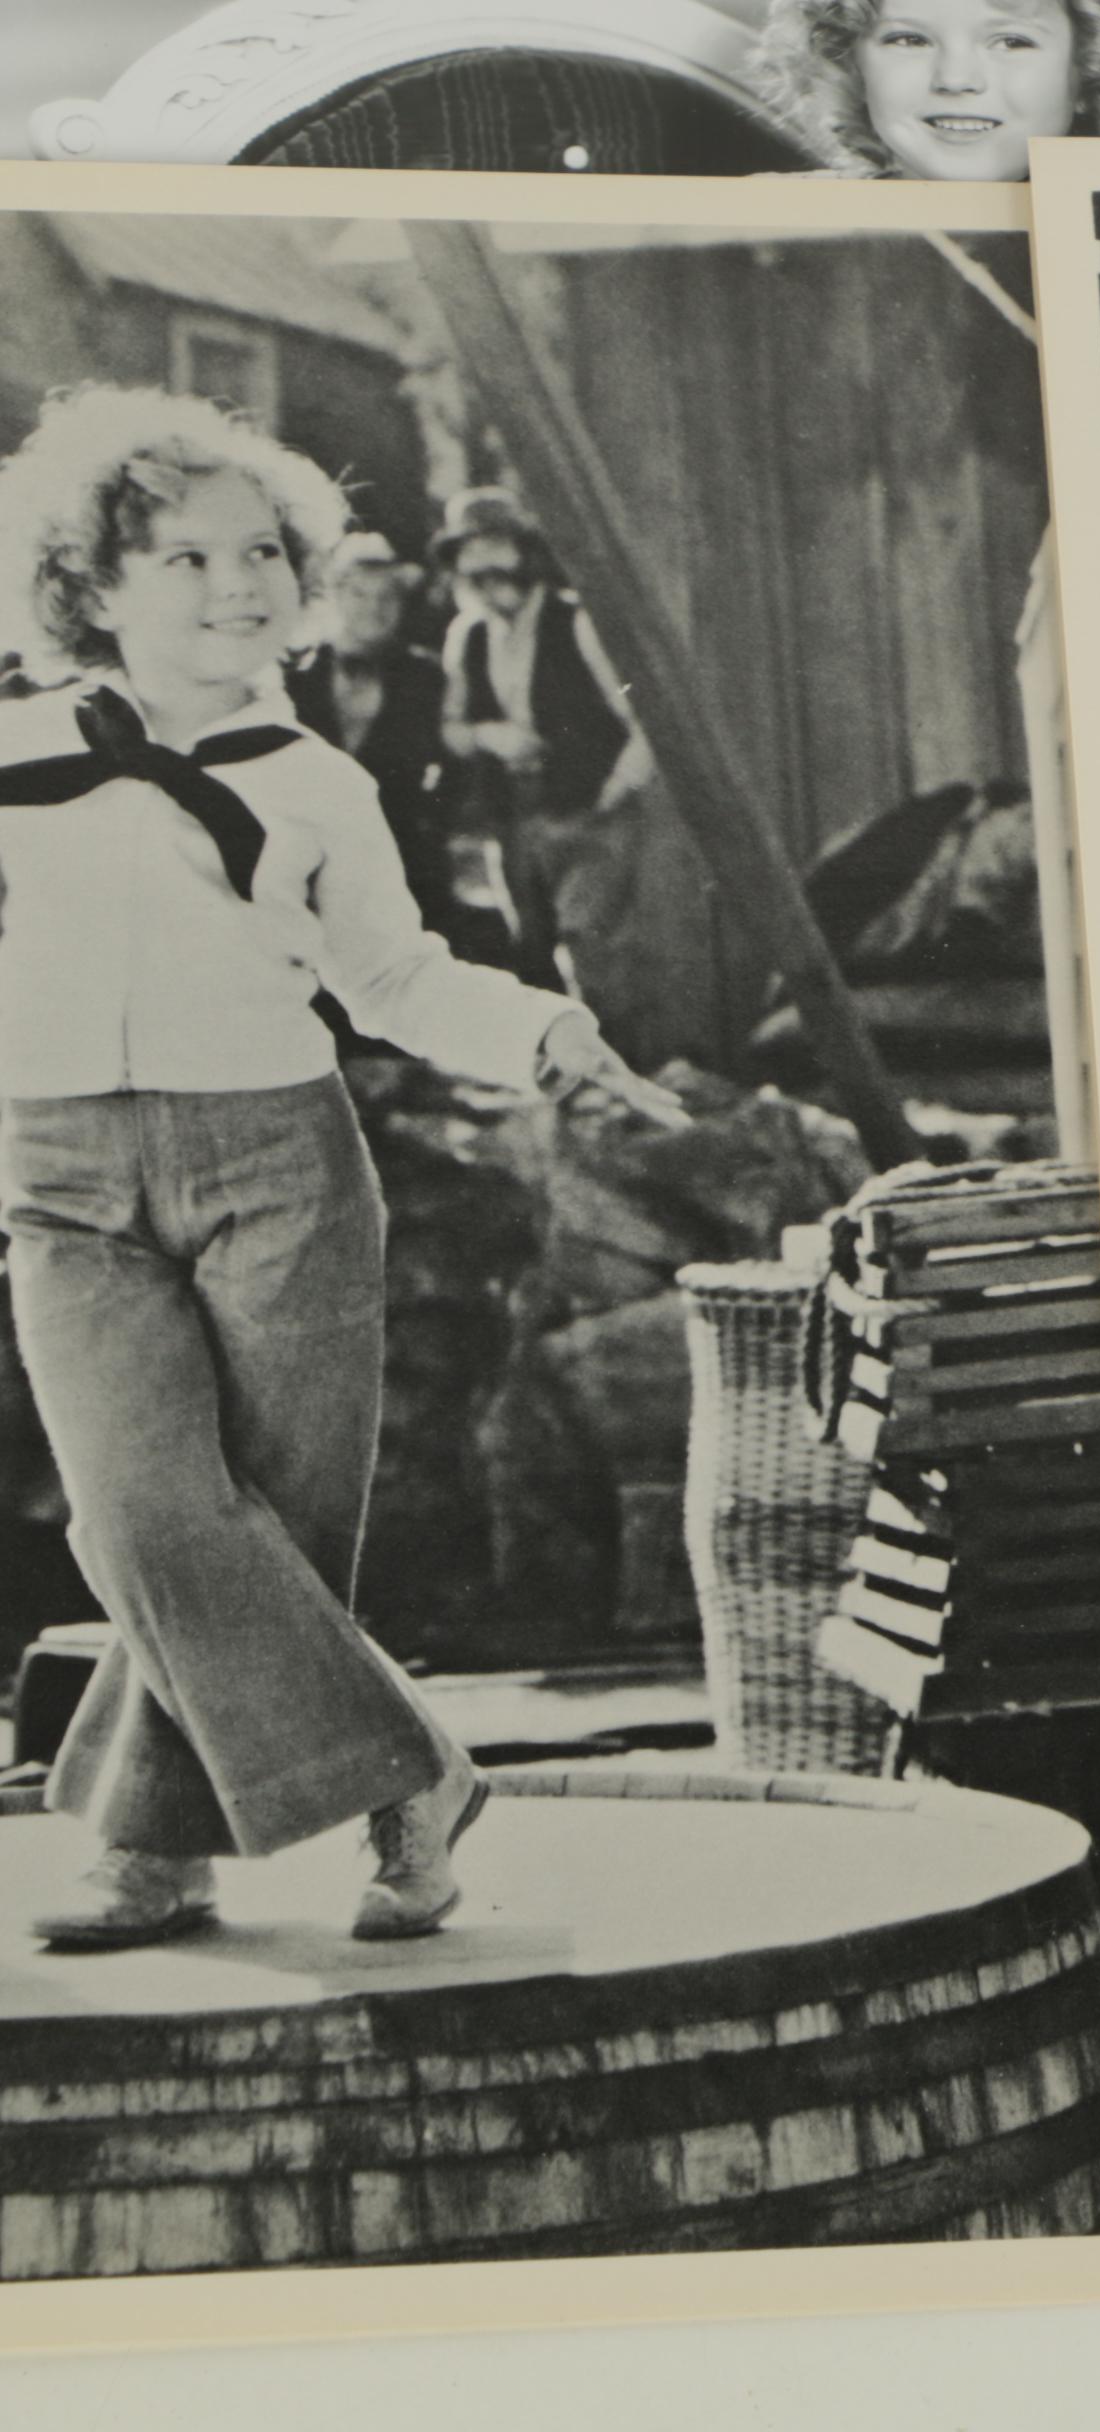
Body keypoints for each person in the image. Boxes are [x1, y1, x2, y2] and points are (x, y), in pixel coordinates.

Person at [0, 388, 685, 1951]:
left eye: (261, 553)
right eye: (185, 558)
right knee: (142, 1519)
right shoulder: (12, 755)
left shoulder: (317, 782)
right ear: (93, 584)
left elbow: (394, 978)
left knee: (269, 1534)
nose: (237, 585)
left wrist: (547, 1035)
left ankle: (154, 1856)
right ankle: (419, 1777)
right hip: (58, 1175)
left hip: (280, 1173)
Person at [432, 487, 648, 995]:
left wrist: (615, 789)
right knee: (533, 954)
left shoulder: (577, 622)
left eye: (497, 551)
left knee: (590, 950)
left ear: (526, 554)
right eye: (472, 558)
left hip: (589, 814)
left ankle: (622, 1063)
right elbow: (451, 729)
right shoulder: (467, 636)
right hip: (513, 819)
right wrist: (488, 736)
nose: (487, 577)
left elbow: (642, 717)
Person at [286, 528, 475, 950]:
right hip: (303, 858)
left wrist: (430, 825)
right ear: (334, 597)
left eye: (387, 596)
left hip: (400, 856)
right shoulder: (292, 674)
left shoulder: (425, 676)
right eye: (360, 595)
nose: (375, 608)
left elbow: (457, 765)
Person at [752, 0, 1100, 180]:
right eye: (910, 40)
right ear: (851, 66)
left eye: (1012, 42)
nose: (956, 79)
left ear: (1091, 68)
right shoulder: (778, 216)